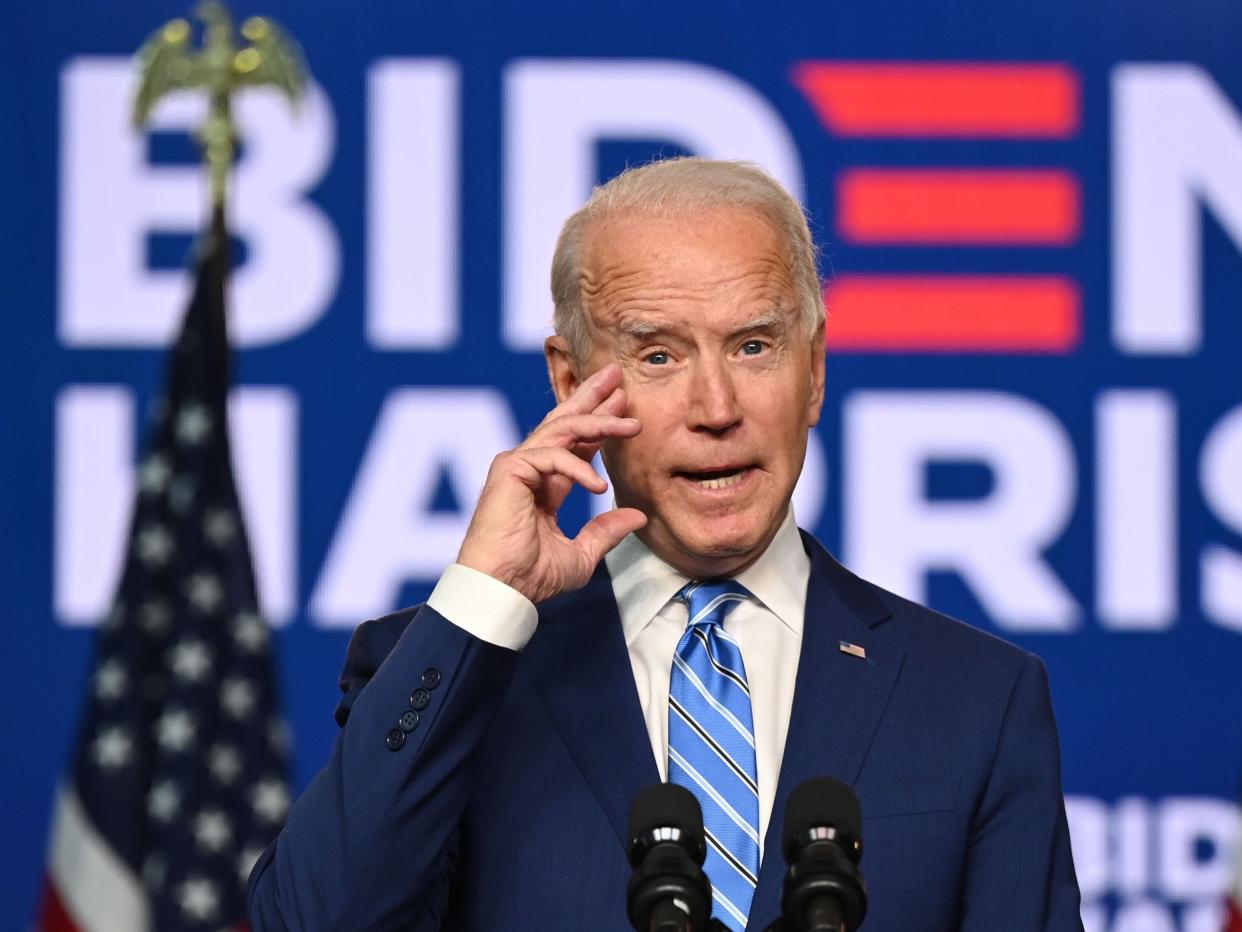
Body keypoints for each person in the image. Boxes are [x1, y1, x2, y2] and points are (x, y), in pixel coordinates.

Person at [247, 158, 1083, 931]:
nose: (715, 405)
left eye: (754, 346)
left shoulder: (978, 702)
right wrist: (482, 601)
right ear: (572, 384)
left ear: (816, 370)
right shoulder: (451, 673)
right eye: (658, 355)